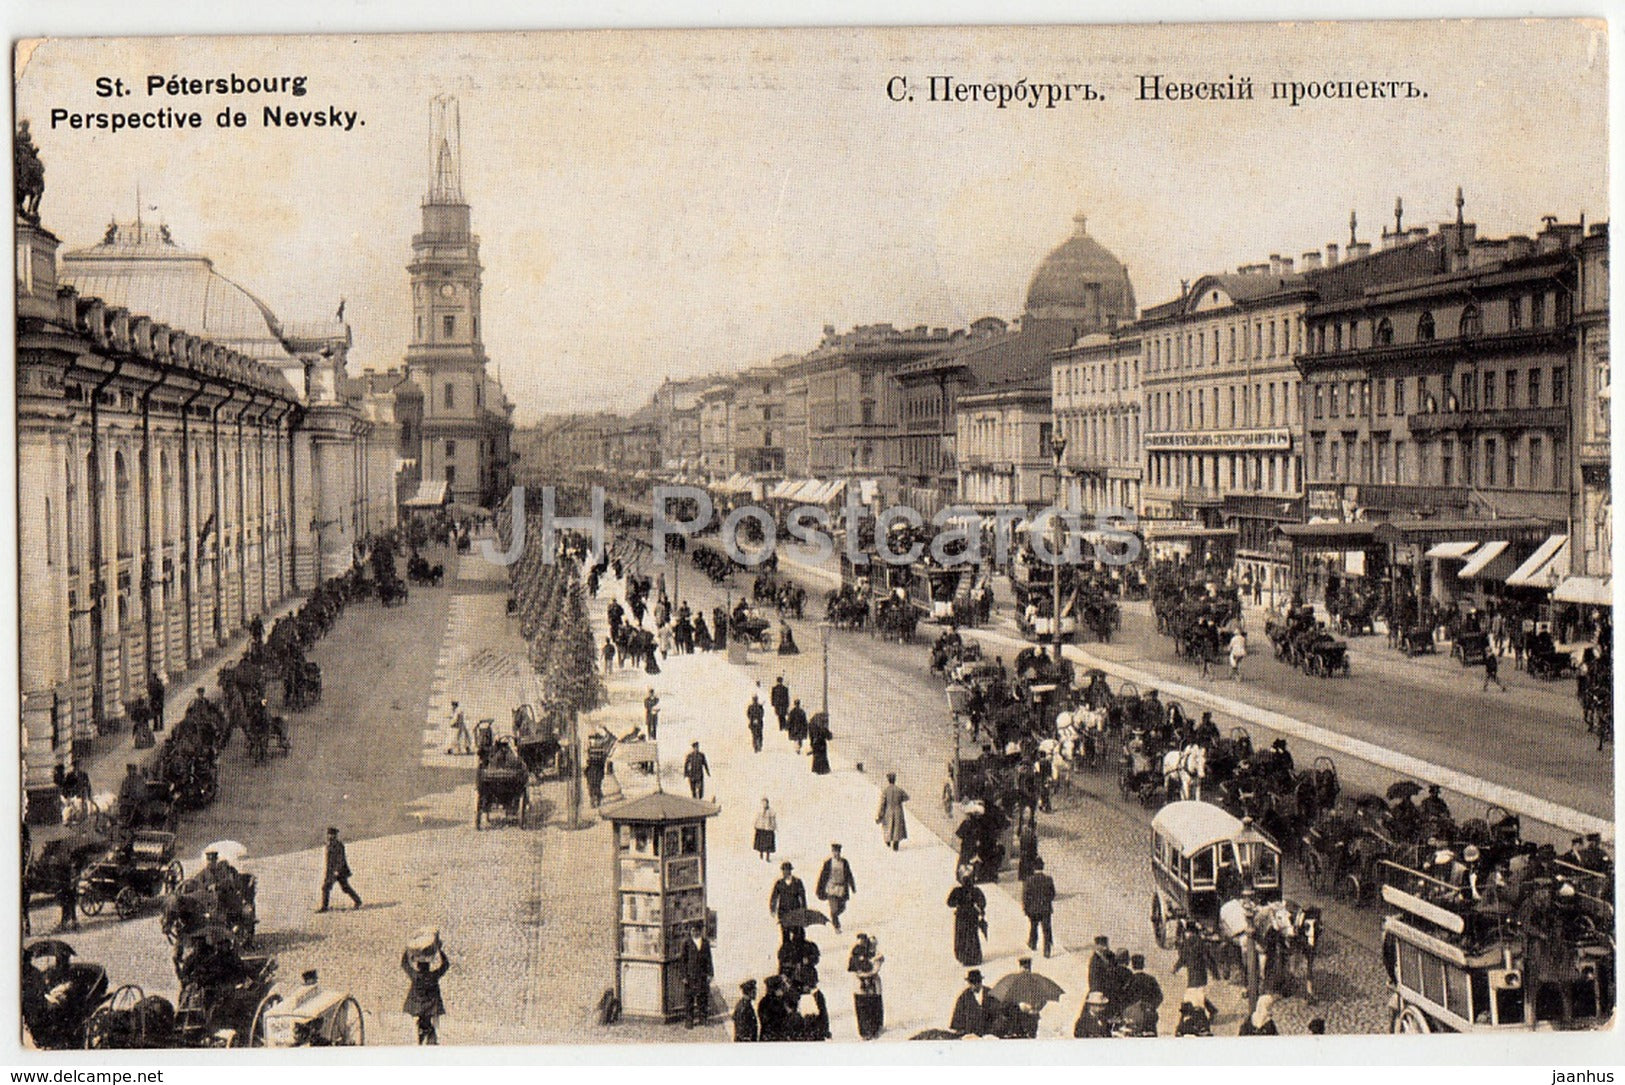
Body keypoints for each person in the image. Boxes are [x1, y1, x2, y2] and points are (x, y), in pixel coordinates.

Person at [401, 946, 449, 1045]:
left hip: (418, 1007)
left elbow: (404, 964)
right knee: (431, 1026)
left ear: (418, 967)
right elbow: (445, 965)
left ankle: (421, 1037)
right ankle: (430, 1037)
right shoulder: (433, 976)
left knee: (418, 1028)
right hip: (431, 1007)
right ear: (428, 967)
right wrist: (440, 951)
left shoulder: (415, 976)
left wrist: (407, 951)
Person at [947, 867, 987, 966]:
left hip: (961, 916)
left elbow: (950, 903)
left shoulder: (957, 891)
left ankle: (964, 957)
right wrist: (980, 910)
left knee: (962, 937)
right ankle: (974, 956)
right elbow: (982, 902)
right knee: (972, 936)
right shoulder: (975, 890)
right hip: (972, 915)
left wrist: (958, 903)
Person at [848, 934, 884, 1040]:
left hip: (872, 984)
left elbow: (875, 966)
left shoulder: (875, 954)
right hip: (860, 984)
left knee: (874, 1006)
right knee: (863, 1008)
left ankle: (875, 1028)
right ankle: (865, 1031)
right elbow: (852, 966)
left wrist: (867, 967)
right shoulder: (855, 953)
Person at [815, 843, 856, 933]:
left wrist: (852, 886)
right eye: (834, 851)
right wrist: (819, 889)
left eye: (837, 852)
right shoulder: (828, 863)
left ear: (840, 852)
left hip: (841, 888)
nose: (836, 853)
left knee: (842, 907)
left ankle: (835, 917)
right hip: (831, 887)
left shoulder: (844, 862)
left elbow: (849, 874)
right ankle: (836, 926)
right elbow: (823, 876)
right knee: (833, 909)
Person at [319, 827, 362, 911]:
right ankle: (357, 901)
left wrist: (337, 870)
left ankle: (357, 901)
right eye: (329, 834)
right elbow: (329, 861)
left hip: (339, 871)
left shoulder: (338, 845)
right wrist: (328, 872)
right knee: (328, 887)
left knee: (339, 887)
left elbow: (341, 859)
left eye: (332, 834)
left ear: (335, 835)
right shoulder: (329, 845)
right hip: (332, 871)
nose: (330, 836)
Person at [680, 922, 714, 1028]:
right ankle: (689, 1021)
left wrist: (710, 974)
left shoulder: (705, 943)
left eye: (696, 931)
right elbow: (683, 961)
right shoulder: (686, 943)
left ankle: (703, 1018)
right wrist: (683, 976)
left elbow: (709, 959)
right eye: (693, 930)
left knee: (703, 998)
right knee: (689, 999)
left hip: (702, 975)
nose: (694, 933)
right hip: (690, 976)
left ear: (700, 931)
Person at [1023, 856, 1057, 958]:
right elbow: (1053, 894)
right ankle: (1047, 950)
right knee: (1046, 929)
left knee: (1034, 926)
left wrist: (1026, 909)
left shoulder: (1029, 880)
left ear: (1034, 867)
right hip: (1045, 909)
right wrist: (1046, 901)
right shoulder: (1048, 879)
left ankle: (1033, 943)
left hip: (1033, 909)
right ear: (1043, 867)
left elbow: (1026, 896)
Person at [950, 969, 1002, 1036]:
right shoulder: (964, 997)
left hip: (990, 1033)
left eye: (977, 982)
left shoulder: (990, 993)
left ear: (981, 982)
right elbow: (958, 1015)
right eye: (972, 982)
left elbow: (998, 1011)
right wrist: (961, 1030)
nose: (975, 985)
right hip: (971, 1034)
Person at [1123, 953, 1164, 1034]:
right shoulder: (1151, 979)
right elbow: (1159, 997)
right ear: (1143, 964)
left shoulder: (1130, 980)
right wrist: (1151, 1006)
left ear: (1132, 965)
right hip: (1149, 1015)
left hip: (1132, 1017)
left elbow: (1124, 997)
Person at [769, 861, 807, 941]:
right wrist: (772, 908)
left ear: (790, 871)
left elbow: (802, 897)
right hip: (783, 912)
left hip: (795, 911)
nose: (785, 872)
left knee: (798, 933)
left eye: (787, 870)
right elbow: (774, 896)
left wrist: (804, 910)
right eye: (784, 870)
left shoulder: (797, 882)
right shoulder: (779, 883)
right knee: (785, 935)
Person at [876, 773, 909, 850]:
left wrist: (879, 815)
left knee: (888, 827)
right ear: (894, 780)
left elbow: (882, 804)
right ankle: (895, 843)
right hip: (898, 811)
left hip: (888, 811)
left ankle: (888, 842)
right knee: (897, 828)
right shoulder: (899, 789)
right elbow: (906, 797)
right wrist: (899, 800)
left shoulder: (885, 791)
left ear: (888, 780)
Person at [757, 975, 791, 1041]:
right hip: (772, 1037)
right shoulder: (768, 1002)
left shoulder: (778, 1000)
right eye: (781, 987)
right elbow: (770, 1022)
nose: (782, 990)